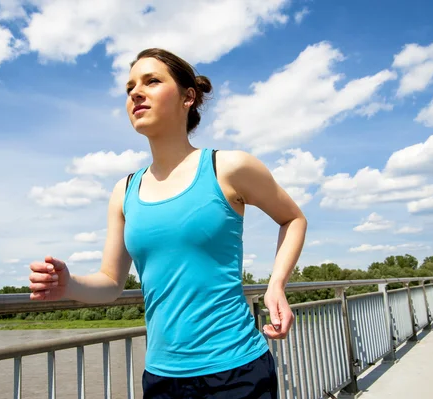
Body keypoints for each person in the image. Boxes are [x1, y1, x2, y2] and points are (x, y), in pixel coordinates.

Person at [29, 48, 307, 398]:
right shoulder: (124, 190)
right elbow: (111, 282)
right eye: (129, 87)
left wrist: (276, 285)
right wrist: (68, 284)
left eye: (152, 81)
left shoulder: (229, 167)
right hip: (162, 378)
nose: (135, 92)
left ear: (188, 97)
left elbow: (293, 218)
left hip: (237, 371)